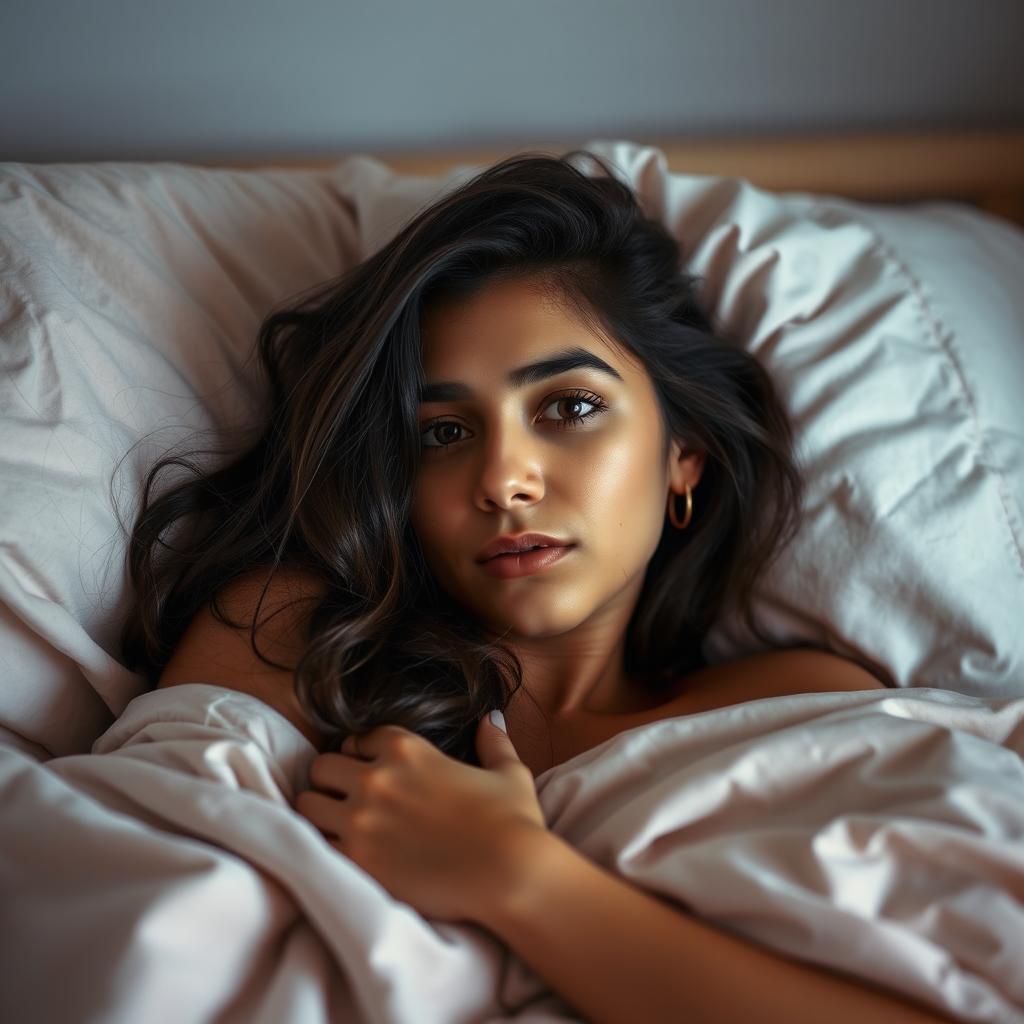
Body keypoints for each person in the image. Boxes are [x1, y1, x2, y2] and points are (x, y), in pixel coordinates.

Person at [120, 151, 947, 1022]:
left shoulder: (805, 699)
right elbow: (150, 938)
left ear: (684, 453)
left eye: (569, 407)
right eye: (442, 431)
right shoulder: (298, 642)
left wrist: (522, 878)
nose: (504, 479)